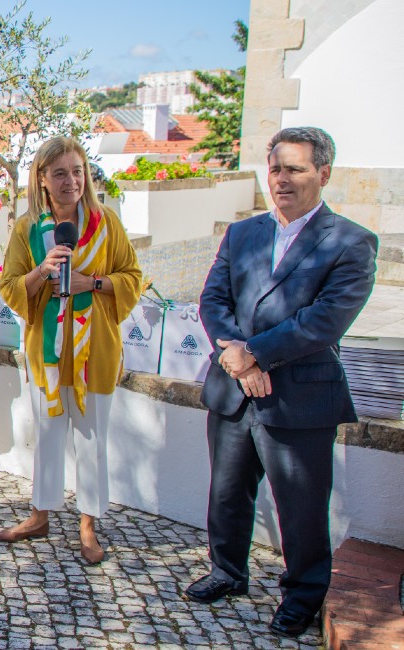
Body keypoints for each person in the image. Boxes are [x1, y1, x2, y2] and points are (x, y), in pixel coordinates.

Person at [185, 127, 378, 639]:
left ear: (324, 173)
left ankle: (303, 595)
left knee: (301, 504)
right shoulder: (242, 233)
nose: (282, 179)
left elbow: (325, 320)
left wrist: (256, 354)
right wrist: (235, 356)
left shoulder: (351, 242)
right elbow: (213, 301)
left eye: (295, 168)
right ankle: (227, 572)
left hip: (299, 397)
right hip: (232, 389)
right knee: (227, 492)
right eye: (275, 168)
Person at [0, 137, 142, 564]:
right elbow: (9, 285)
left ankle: (88, 526)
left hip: (94, 350)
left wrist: (92, 283)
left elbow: (132, 276)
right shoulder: (27, 230)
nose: (70, 181)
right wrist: (42, 272)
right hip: (47, 351)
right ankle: (39, 515)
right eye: (59, 173)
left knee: (92, 440)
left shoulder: (106, 224)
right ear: (41, 179)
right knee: (47, 435)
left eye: (77, 172)